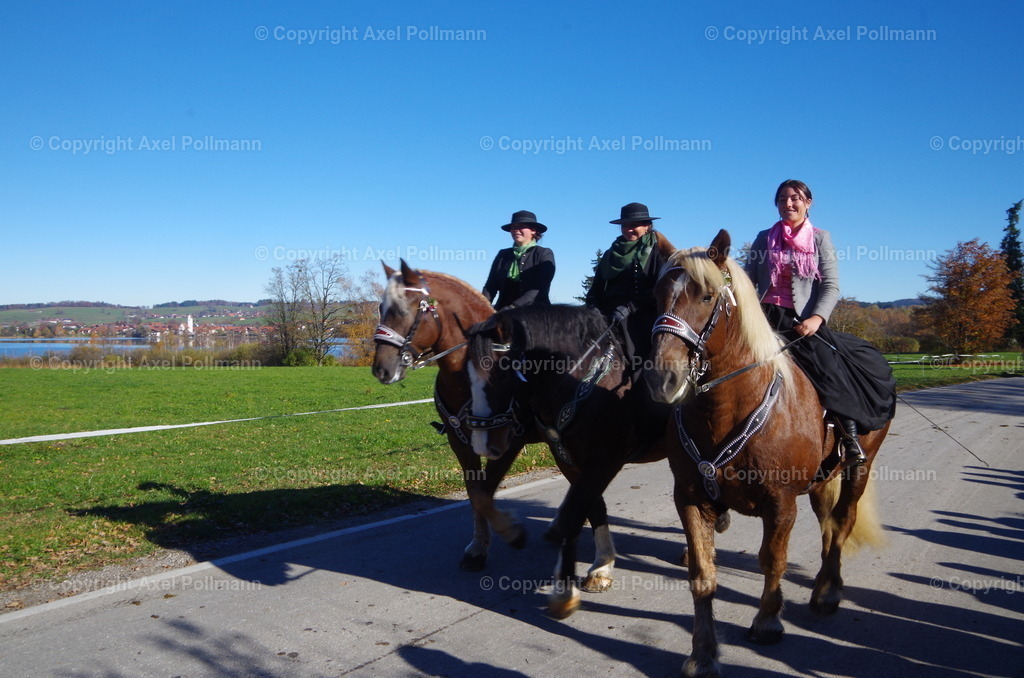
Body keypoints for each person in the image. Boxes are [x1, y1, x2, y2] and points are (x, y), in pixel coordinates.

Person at [744, 179, 895, 466]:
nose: (788, 204)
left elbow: (831, 286)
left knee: (829, 368)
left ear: (807, 203)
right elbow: (746, 276)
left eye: (794, 198)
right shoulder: (764, 238)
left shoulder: (820, 238)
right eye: (781, 199)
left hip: (803, 321)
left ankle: (848, 436)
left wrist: (816, 318)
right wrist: (721, 276)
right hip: (763, 318)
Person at [585, 202, 675, 366]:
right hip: (608, 314)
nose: (628, 229)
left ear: (647, 226)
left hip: (640, 314)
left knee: (635, 355)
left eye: (634, 225)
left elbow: (660, 288)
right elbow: (596, 288)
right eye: (625, 226)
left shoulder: (657, 252)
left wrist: (630, 308)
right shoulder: (610, 254)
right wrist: (593, 307)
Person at [482, 210, 555, 310]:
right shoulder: (503, 254)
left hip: (535, 314)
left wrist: (513, 307)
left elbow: (539, 287)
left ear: (533, 230)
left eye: (521, 226)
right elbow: (490, 286)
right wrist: (481, 306)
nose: (516, 230)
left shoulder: (544, 254)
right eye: (514, 227)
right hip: (502, 312)